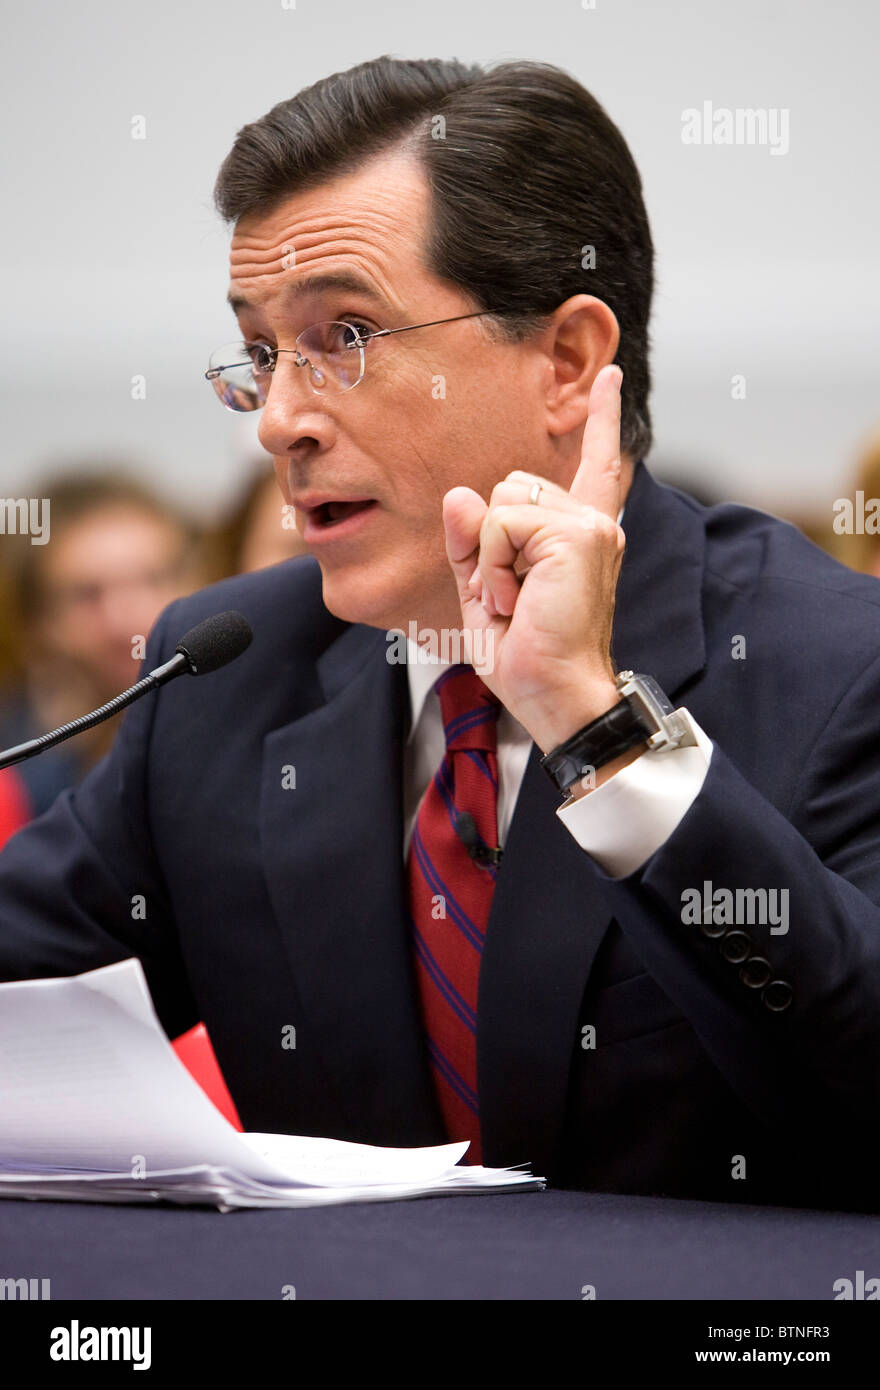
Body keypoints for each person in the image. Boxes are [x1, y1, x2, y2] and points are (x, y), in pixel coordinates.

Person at [2, 55, 880, 1212]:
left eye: (346, 337)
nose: (278, 421)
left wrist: (596, 727)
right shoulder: (224, 672)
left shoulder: (835, 664)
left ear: (565, 361)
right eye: (261, 354)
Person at [0, 472, 200, 816]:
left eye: (153, 579)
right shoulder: (20, 783)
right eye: (87, 596)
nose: (128, 620)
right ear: (38, 623)